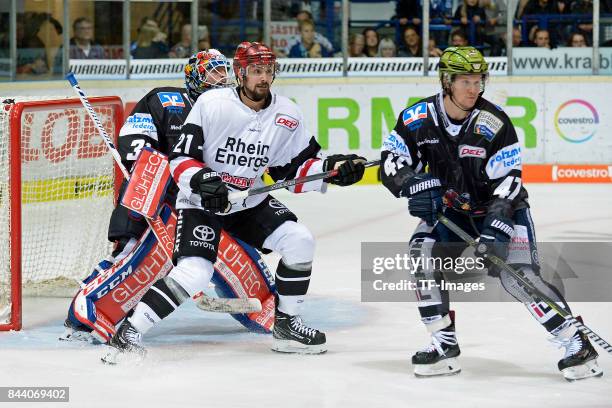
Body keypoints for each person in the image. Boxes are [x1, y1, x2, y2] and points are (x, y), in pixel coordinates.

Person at [105, 42, 366, 360]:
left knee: (300, 241)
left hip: (247, 202)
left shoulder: (287, 114)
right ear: (240, 73)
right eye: (257, 71)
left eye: (269, 71)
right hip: (202, 203)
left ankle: (286, 326)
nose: (264, 78)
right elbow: (181, 159)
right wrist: (202, 181)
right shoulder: (212, 104)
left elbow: (294, 170)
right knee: (195, 271)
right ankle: (129, 332)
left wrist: (331, 171)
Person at [380, 46, 602, 381]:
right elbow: (391, 162)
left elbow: (510, 183)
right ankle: (443, 345)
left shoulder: (494, 123)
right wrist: (412, 183)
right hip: (450, 212)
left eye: (478, 80)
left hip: (501, 209)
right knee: (420, 252)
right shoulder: (417, 119)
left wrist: (496, 230)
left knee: (518, 276)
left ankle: (576, 342)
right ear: (447, 81)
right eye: (466, 81)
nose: (474, 88)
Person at [61, 49, 232, 341]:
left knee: (184, 262)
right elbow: (134, 137)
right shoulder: (166, 100)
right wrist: (145, 162)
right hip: (152, 193)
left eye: (224, 71)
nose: (222, 78)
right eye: (214, 71)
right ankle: (81, 320)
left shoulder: (228, 109)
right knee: (130, 256)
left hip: (192, 202)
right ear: (195, 76)